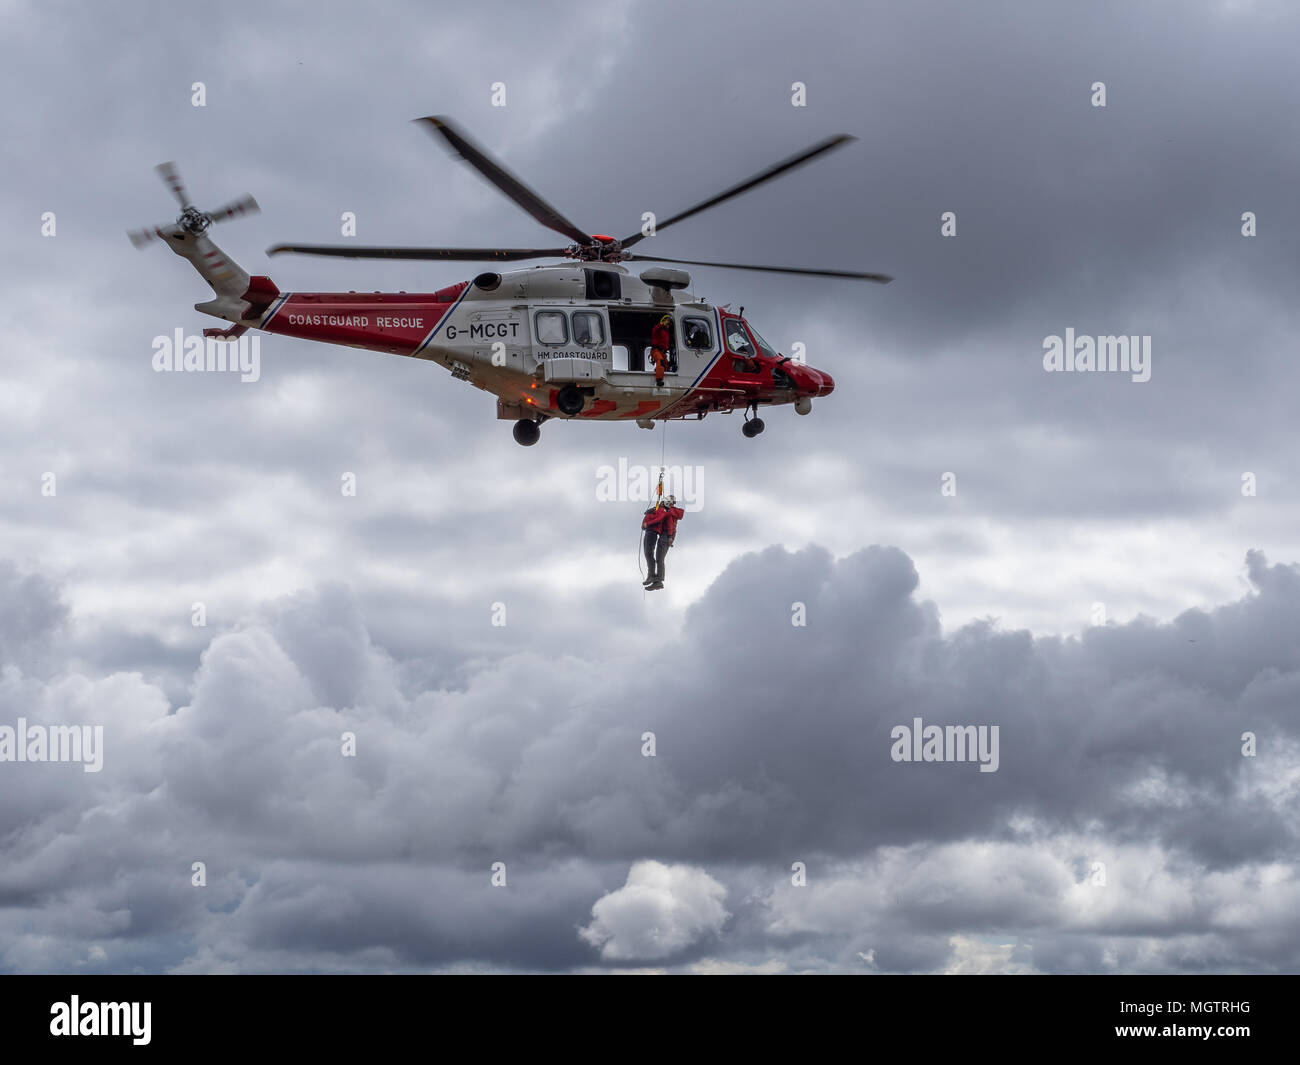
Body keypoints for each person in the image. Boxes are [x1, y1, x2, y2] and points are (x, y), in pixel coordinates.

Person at [641, 494, 685, 590]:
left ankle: (658, 580)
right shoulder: (669, 512)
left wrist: (670, 536)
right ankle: (656, 580)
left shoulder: (669, 512)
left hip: (666, 535)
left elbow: (670, 525)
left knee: (659, 558)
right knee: (659, 558)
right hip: (665, 535)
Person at [649, 314, 673, 387]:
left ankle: (662, 375)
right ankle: (659, 379)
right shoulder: (657, 328)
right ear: (663, 321)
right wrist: (662, 324)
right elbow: (656, 329)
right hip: (656, 350)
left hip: (663, 352)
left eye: (669, 323)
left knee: (666, 365)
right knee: (660, 361)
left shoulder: (666, 333)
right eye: (667, 321)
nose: (668, 324)